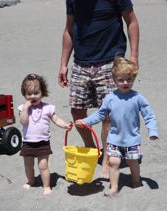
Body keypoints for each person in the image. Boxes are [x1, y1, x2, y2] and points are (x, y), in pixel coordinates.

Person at [58, 0, 140, 178]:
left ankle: (106, 160)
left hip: (110, 60)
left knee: (109, 114)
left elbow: (131, 21)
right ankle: (93, 149)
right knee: (77, 111)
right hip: (81, 62)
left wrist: (134, 55)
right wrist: (63, 64)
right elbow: (69, 29)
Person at [75, 57, 158, 197]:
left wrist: (153, 131)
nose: (125, 83)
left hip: (132, 138)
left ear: (134, 78)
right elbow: (100, 114)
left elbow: (149, 115)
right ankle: (114, 187)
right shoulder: (110, 98)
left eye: (129, 79)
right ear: (114, 79)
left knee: (132, 162)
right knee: (113, 162)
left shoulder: (138, 98)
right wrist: (85, 121)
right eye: (121, 80)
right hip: (114, 138)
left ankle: (136, 181)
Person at [18, 74, 72, 196]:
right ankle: (31, 181)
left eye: (36, 93)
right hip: (28, 143)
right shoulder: (23, 108)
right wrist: (26, 108)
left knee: (43, 166)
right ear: (24, 94)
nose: (32, 96)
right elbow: (23, 122)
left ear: (42, 92)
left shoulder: (48, 108)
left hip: (42, 143)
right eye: (29, 94)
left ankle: (46, 186)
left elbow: (56, 119)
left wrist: (65, 125)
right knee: (28, 165)